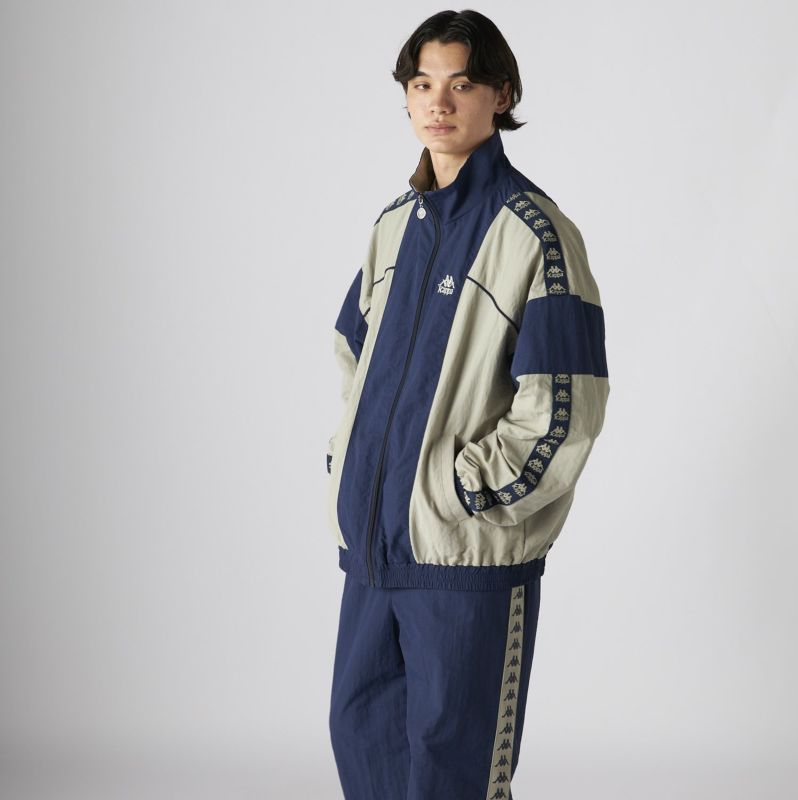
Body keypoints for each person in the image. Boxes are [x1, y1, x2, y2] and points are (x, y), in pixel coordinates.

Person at [325, 9, 610, 799]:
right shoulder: (392, 228)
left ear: (501, 94)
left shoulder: (535, 235)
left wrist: (462, 491)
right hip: (374, 553)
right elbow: (352, 356)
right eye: (422, 84)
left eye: (460, 84)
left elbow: (565, 405)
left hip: (465, 562)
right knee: (362, 741)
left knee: (454, 769)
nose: (438, 103)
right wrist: (355, 464)